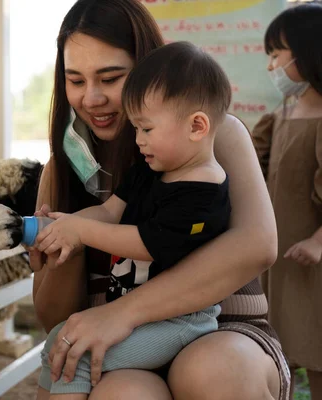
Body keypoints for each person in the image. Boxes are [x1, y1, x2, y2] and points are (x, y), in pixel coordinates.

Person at [31, 1, 289, 399]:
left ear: (149, 69)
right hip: (120, 349)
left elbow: (257, 246)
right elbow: (53, 316)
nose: (92, 97)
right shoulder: (63, 169)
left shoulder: (214, 136)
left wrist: (120, 313)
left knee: (215, 372)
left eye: (111, 78)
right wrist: (68, 245)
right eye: (76, 81)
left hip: (219, 329)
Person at [32, 41, 231, 398]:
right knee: (60, 340)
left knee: (70, 355)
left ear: (197, 126)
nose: (137, 140)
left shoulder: (203, 191)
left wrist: (81, 230)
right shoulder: (150, 169)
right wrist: (62, 226)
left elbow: (146, 243)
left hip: (179, 321)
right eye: (136, 128)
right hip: (140, 319)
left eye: (146, 129)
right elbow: (109, 213)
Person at [251, 4, 322, 399]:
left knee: (317, 351)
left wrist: (317, 241)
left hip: (314, 264)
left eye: (276, 55)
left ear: (308, 52)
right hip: (281, 262)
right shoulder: (281, 115)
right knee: (280, 353)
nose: (271, 67)